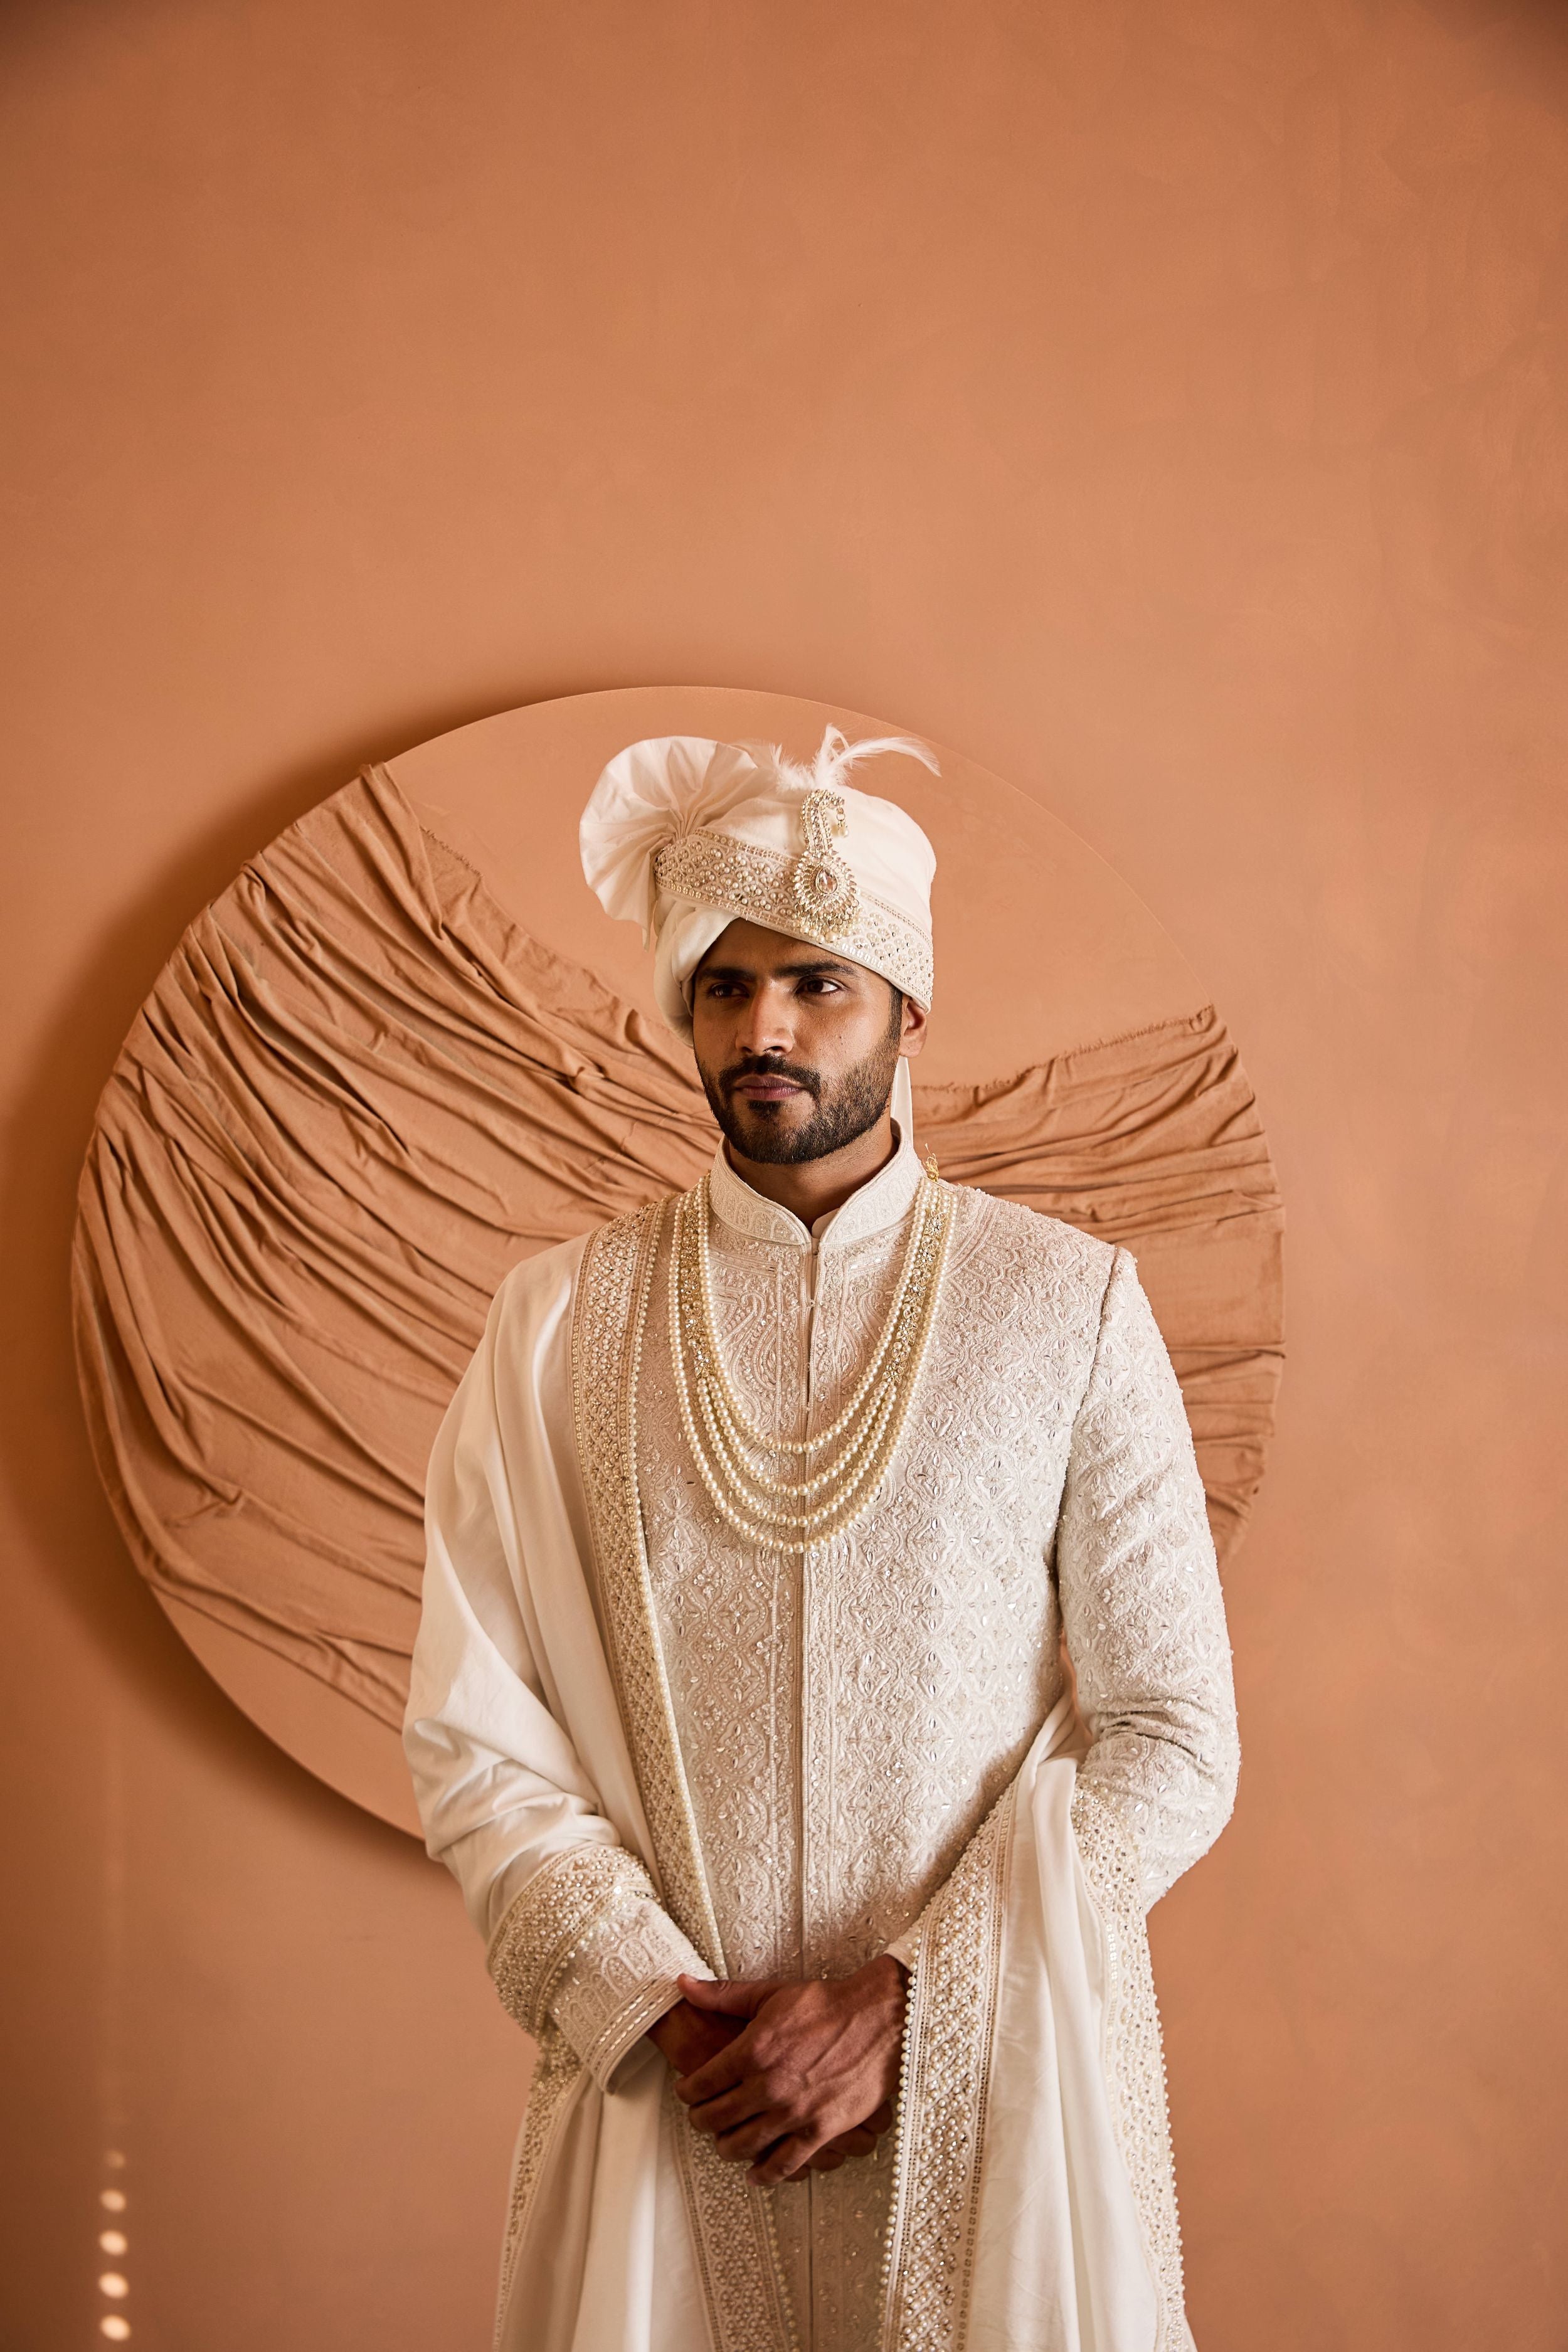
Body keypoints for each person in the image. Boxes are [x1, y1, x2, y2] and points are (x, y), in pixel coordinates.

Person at [403, 727, 1239, 2352]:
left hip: (989, 2106)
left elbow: (1168, 1736)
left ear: (906, 1008)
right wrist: (663, 2006)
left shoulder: (1062, 1306)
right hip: (674, 2093)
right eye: (723, 987)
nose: (763, 1027)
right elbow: (474, 1728)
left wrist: (906, 2004)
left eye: (815, 984)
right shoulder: (558, 1323)